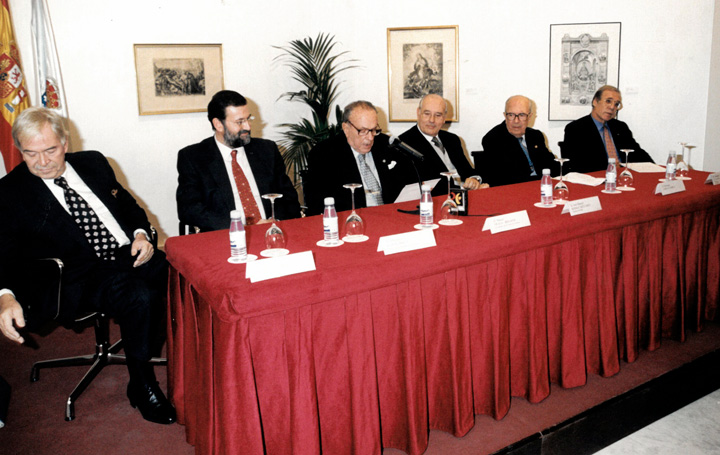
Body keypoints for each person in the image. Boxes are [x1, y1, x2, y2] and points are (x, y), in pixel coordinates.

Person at [0, 107, 175, 425]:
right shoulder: (10, 192)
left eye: (50, 150)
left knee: (179, 272)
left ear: (65, 142)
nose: (42, 162)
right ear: (20, 151)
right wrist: (5, 295)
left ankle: (168, 350)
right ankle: (142, 383)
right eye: (30, 153)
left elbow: (129, 206)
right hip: (77, 276)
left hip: (126, 254)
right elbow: (3, 252)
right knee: (140, 297)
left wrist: (141, 235)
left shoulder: (93, 162)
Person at [177, 90, 301, 232]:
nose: (247, 127)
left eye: (248, 119)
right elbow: (189, 209)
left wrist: (274, 222)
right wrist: (242, 227)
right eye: (240, 122)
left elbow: (289, 199)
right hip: (226, 236)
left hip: (272, 232)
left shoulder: (267, 150)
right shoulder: (194, 157)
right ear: (218, 124)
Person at [303, 101, 411, 216]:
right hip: (351, 221)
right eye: (363, 131)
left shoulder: (386, 144)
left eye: (374, 130)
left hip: (390, 216)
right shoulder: (324, 154)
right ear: (346, 128)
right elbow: (317, 203)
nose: (370, 138)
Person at [398, 94, 484, 196]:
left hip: (464, 198)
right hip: (436, 201)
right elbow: (420, 186)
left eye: (438, 115)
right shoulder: (404, 144)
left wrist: (474, 180)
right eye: (427, 114)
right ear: (418, 113)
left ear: (444, 118)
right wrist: (462, 189)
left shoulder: (452, 139)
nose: (432, 120)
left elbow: (467, 171)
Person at [562, 85, 654, 174]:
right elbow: (575, 166)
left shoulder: (620, 127)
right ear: (595, 102)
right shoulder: (576, 128)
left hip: (623, 177)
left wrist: (653, 168)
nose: (612, 107)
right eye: (608, 101)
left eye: (616, 104)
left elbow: (638, 154)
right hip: (597, 180)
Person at [481, 95, 558, 187]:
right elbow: (504, 177)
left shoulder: (536, 135)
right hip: (515, 190)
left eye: (522, 115)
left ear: (529, 117)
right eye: (511, 115)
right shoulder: (493, 139)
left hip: (542, 186)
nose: (516, 121)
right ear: (505, 116)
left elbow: (551, 166)